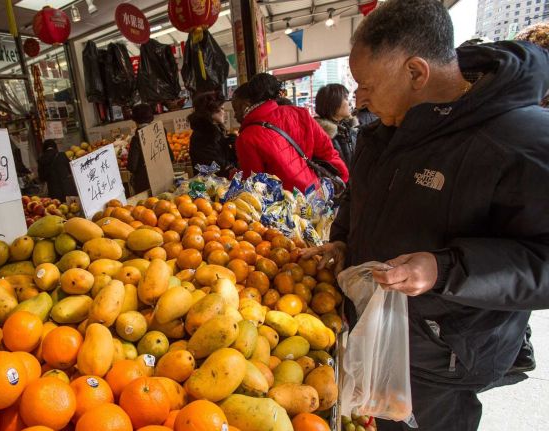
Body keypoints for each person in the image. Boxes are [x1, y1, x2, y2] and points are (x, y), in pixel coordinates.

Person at [303, 1, 549, 430]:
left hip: (447, 354)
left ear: (416, 72)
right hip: (384, 337)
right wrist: (344, 238)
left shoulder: (520, 142)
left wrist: (443, 268)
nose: (358, 99)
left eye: (367, 85)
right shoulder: (384, 131)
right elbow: (359, 196)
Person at [231, 73, 348, 193]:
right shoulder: (300, 113)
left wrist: (233, 176)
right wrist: (342, 177)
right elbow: (327, 152)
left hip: (284, 207)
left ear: (246, 106)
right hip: (315, 194)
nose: (235, 115)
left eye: (236, 109)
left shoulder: (246, 138)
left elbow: (255, 187)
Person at [126, 103, 174, 195]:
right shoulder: (160, 132)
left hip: (145, 185)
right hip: (164, 178)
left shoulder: (137, 139)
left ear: (135, 120)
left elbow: (132, 166)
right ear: (151, 117)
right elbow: (171, 157)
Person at [187, 92, 237, 178]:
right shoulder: (202, 136)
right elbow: (214, 167)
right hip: (212, 186)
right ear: (209, 111)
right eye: (221, 109)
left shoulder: (215, 130)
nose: (224, 112)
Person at [314, 84, 358, 168]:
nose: (349, 103)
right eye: (345, 98)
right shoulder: (321, 135)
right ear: (333, 104)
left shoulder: (349, 128)